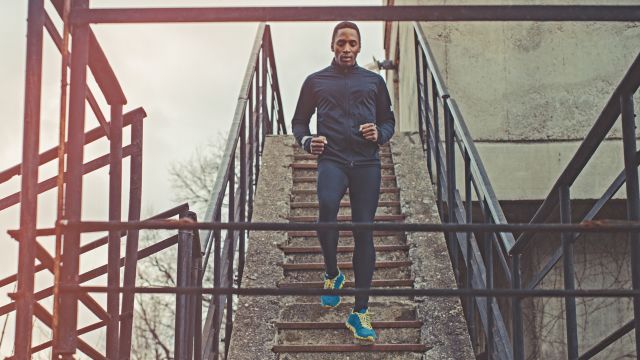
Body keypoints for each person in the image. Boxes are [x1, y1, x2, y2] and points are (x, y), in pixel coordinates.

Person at [291, 21, 395, 343]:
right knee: (326, 205)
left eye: (352, 44)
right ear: (332, 45)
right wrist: (308, 141)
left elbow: (388, 121)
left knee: (364, 228)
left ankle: (359, 311)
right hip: (333, 159)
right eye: (341, 43)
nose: (347, 49)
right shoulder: (315, 81)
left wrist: (380, 134)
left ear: (359, 47)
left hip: (366, 162)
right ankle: (333, 273)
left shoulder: (374, 81)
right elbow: (298, 122)